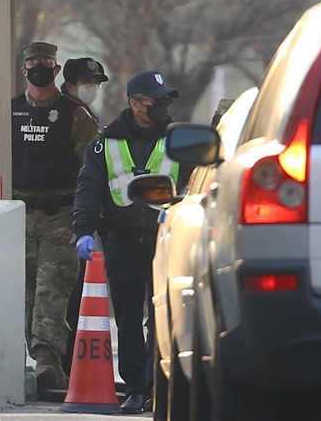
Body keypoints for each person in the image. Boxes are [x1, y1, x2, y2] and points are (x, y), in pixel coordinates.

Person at [73, 71, 189, 414]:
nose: (163, 107)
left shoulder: (178, 139)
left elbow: (197, 183)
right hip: (121, 242)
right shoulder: (104, 143)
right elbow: (89, 189)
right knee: (127, 318)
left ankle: (159, 387)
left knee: (163, 316)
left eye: (166, 100)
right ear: (135, 104)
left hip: (166, 241)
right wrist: (84, 230)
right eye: (156, 101)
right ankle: (135, 389)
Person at [12, 41, 99, 393]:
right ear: (24, 70)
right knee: (25, 294)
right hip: (18, 214)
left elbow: (92, 169)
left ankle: (48, 362)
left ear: (56, 69)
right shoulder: (11, 112)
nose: (39, 68)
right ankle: (33, 360)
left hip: (61, 215)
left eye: (46, 62)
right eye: (33, 63)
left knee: (52, 290)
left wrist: (87, 220)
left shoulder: (75, 115)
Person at [58, 57, 109, 378]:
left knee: (72, 290)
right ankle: (65, 363)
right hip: (65, 211)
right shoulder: (67, 113)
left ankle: (68, 363)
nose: (93, 88)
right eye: (87, 82)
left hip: (80, 210)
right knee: (65, 291)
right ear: (71, 83)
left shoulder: (86, 115)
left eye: (97, 83)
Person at [60, 57, 108, 126]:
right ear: (69, 86)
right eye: (87, 82)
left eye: (97, 83)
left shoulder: (92, 115)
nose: (94, 86)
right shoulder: (61, 113)